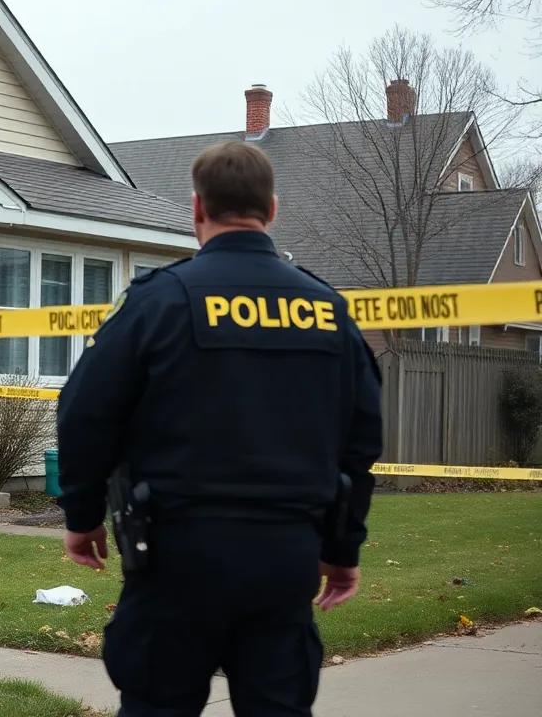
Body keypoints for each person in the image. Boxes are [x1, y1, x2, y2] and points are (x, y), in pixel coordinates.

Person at [55, 141, 383, 716]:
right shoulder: (328, 310)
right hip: (286, 556)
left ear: (197, 208)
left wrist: (82, 517)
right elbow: (361, 442)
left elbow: (84, 412)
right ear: (272, 209)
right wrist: (341, 548)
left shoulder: (159, 302)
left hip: (176, 555)